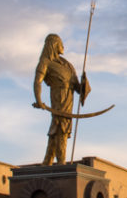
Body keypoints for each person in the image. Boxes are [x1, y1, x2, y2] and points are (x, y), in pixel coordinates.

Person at [33, 33, 89, 165]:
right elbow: (37, 82)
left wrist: (84, 85)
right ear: (54, 44)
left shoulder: (67, 65)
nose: (63, 46)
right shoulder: (45, 62)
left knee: (58, 129)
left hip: (68, 99)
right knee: (60, 127)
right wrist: (39, 100)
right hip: (58, 98)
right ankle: (61, 162)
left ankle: (48, 161)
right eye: (61, 43)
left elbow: (77, 87)